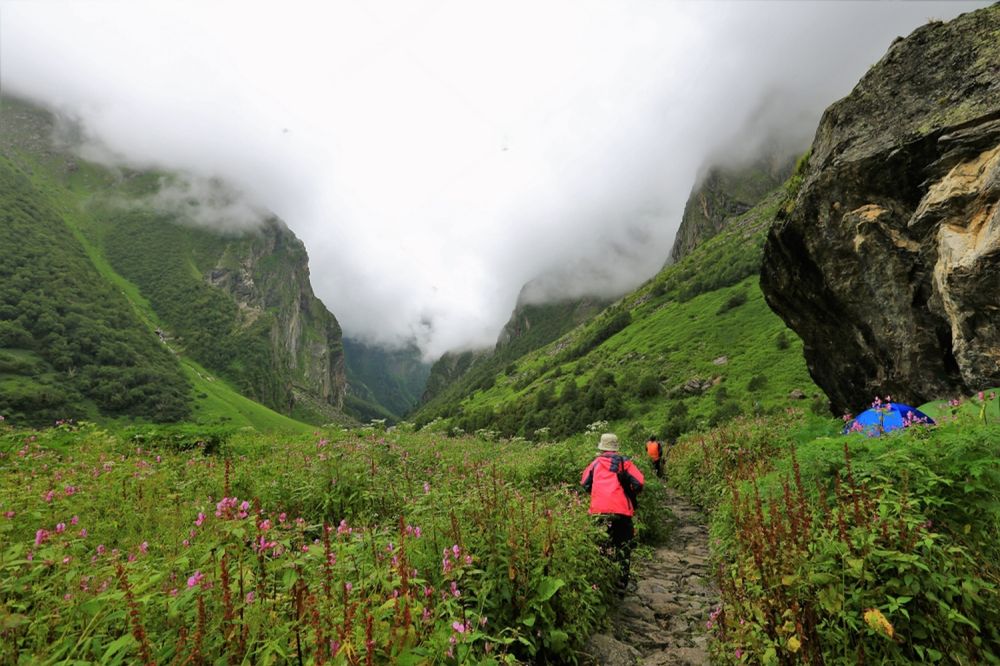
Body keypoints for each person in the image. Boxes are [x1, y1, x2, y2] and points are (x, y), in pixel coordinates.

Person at [580, 433, 644, 594]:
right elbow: (639, 482)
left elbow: (584, 483)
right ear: (616, 448)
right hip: (622, 511)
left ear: (602, 448)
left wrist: (598, 494)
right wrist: (629, 492)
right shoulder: (625, 463)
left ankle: (601, 583)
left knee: (601, 546)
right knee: (623, 547)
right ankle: (621, 584)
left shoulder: (595, 464)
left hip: (599, 511)